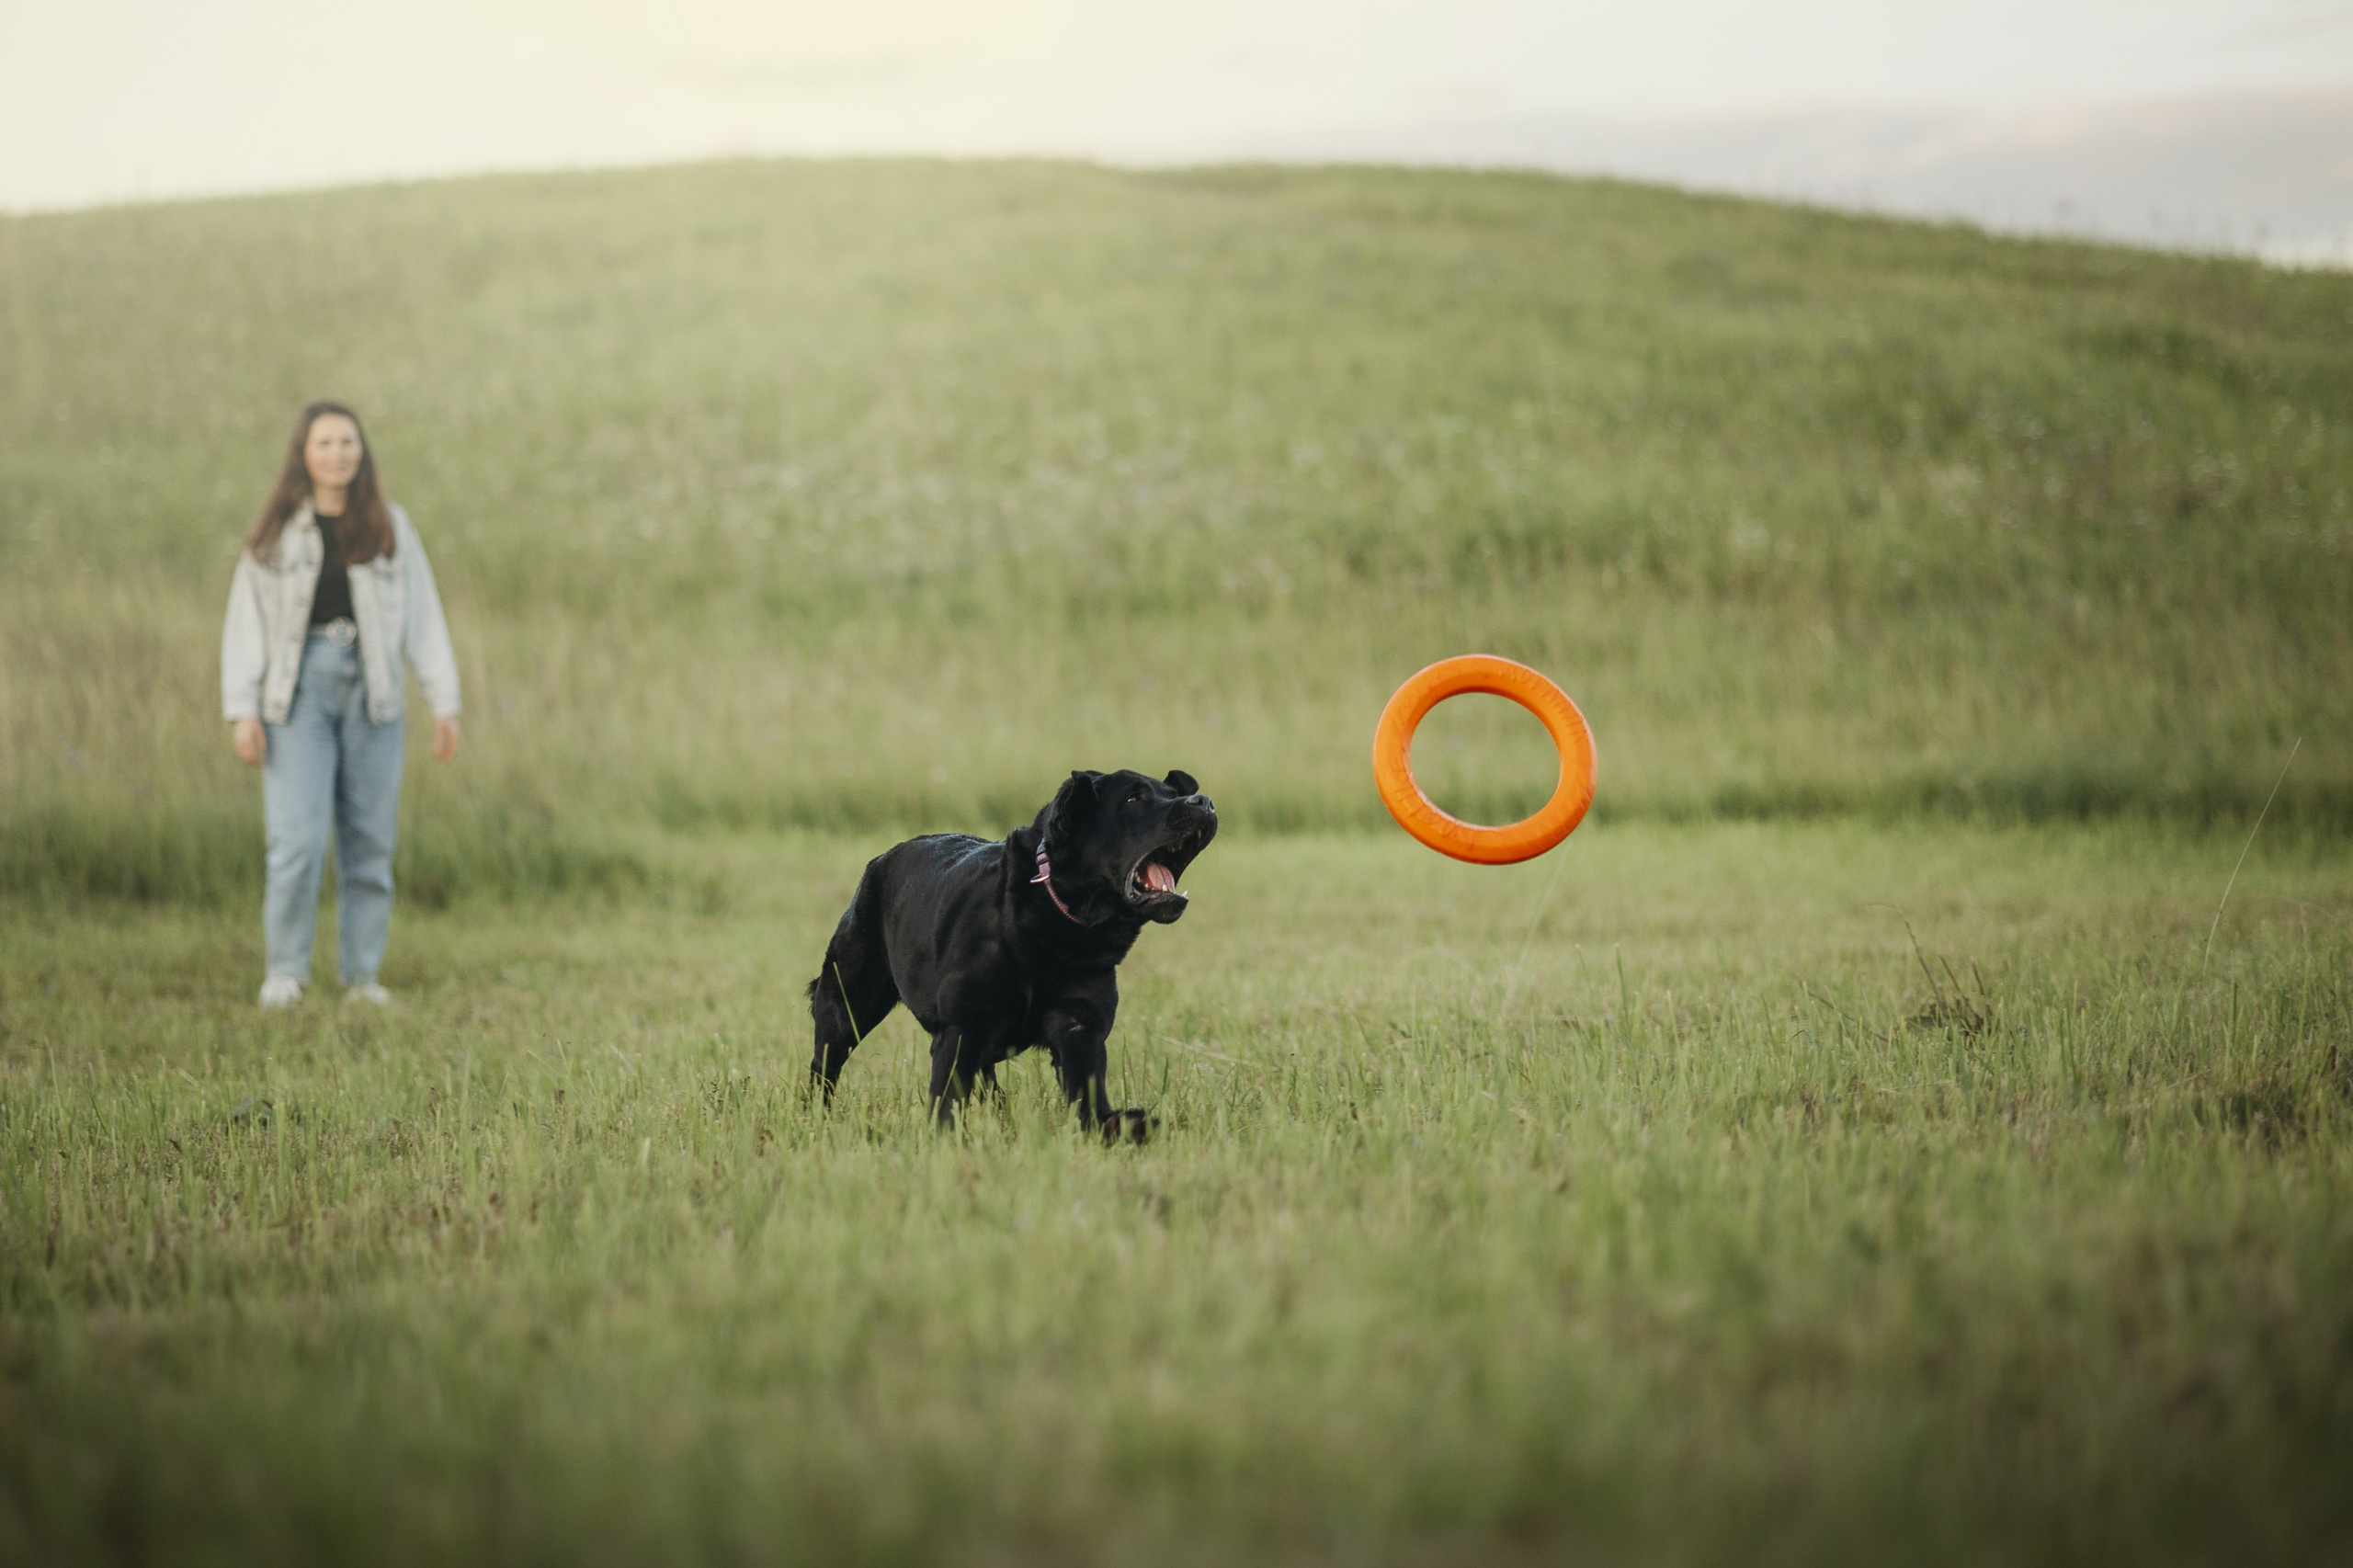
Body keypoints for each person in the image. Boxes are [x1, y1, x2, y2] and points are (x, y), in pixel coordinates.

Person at [220, 402, 461, 1007]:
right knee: (297, 842)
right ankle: (285, 971)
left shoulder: (389, 527)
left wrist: (443, 700)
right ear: (304, 453)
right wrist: (242, 707)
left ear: (363, 452)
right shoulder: (276, 533)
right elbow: (245, 624)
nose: (337, 453)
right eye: (325, 442)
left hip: (374, 697)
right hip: (295, 699)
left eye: (347, 442)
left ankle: (362, 977)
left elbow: (423, 618)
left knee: (370, 842)